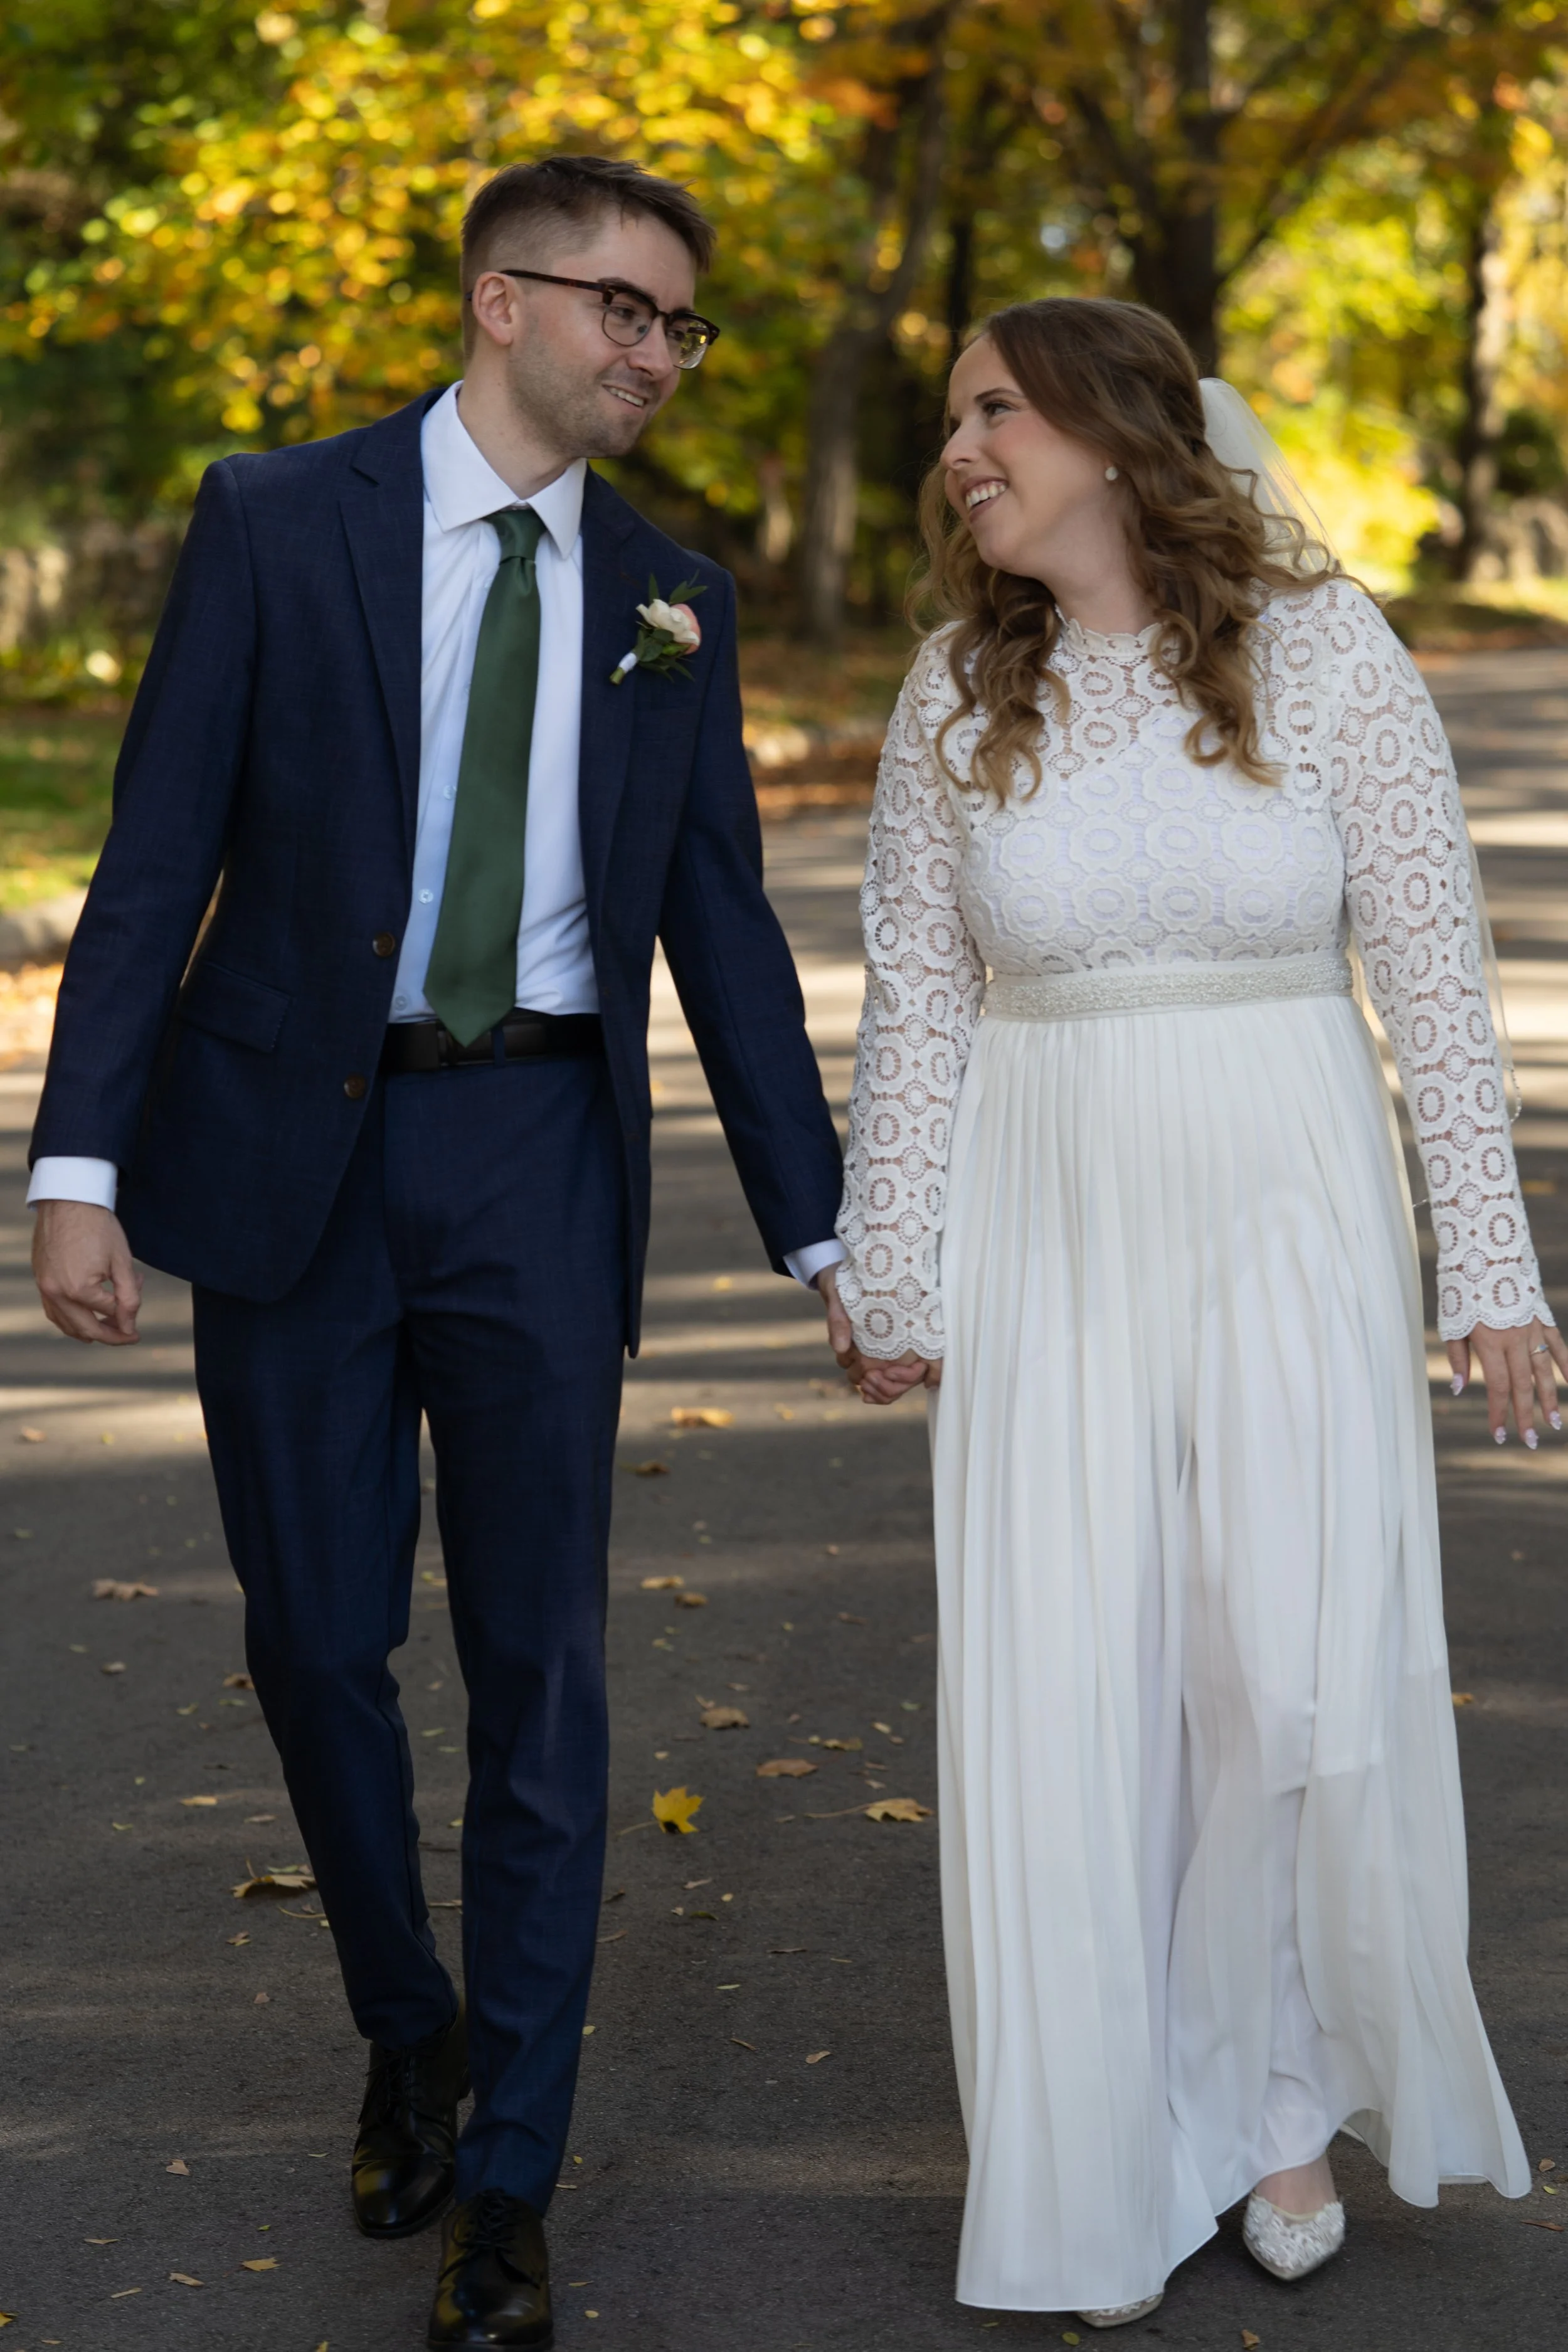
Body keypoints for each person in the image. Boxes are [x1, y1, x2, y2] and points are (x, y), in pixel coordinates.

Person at [28, 154, 843, 2349]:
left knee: (541, 1674)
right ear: (500, 301)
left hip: (534, 1159)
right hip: (293, 1146)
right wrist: (76, 1163)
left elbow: (727, 937)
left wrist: (827, 1221)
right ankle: (410, 2019)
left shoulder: (675, 595)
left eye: (682, 325)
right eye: (623, 310)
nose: (657, 354)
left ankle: (510, 2174)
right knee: (313, 1643)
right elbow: (154, 849)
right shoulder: (277, 522)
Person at [818, 296, 1565, 2329]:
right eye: (952, 416)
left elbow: (1428, 965)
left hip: (1279, 1193)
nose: (957, 445)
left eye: (993, 408)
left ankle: (1270, 2105)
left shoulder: (1323, 654)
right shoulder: (950, 694)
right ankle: (1097, 2142)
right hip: (1044, 1207)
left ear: (1116, 428)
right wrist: (892, 1268)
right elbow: (917, 1006)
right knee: (1073, 1669)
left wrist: (1486, 1270)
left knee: (1273, 1663)